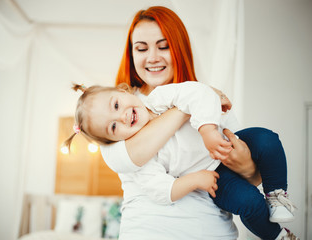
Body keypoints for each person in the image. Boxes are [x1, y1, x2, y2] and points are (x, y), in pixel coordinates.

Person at [68, 6, 298, 240]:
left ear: (179, 47)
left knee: (265, 143)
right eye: (141, 48)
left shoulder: (205, 99)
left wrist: (248, 167)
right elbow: (130, 157)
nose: (152, 57)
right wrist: (192, 101)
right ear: (131, 54)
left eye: (163, 45)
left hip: (215, 231)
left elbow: (250, 175)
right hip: (147, 232)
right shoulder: (110, 120)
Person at [65, 80, 297, 240]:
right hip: (216, 176)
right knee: (249, 202)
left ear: (125, 91)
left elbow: (198, 92)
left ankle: (277, 195)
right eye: (113, 126)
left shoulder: (159, 98)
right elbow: (160, 190)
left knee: (267, 139)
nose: (122, 116)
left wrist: (208, 130)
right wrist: (195, 180)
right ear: (111, 141)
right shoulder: (140, 156)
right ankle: (276, 235)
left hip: (224, 142)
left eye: (116, 105)